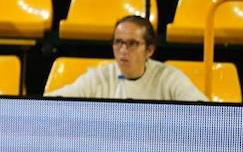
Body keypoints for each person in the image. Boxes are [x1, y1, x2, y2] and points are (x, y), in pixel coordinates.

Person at [47, 15, 209, 101]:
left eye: (132, 44)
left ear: (149, 50)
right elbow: (53, 102)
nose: (123, 50)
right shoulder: (98, 77)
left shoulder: (169, 77)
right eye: (118, 42)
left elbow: (201, 109)